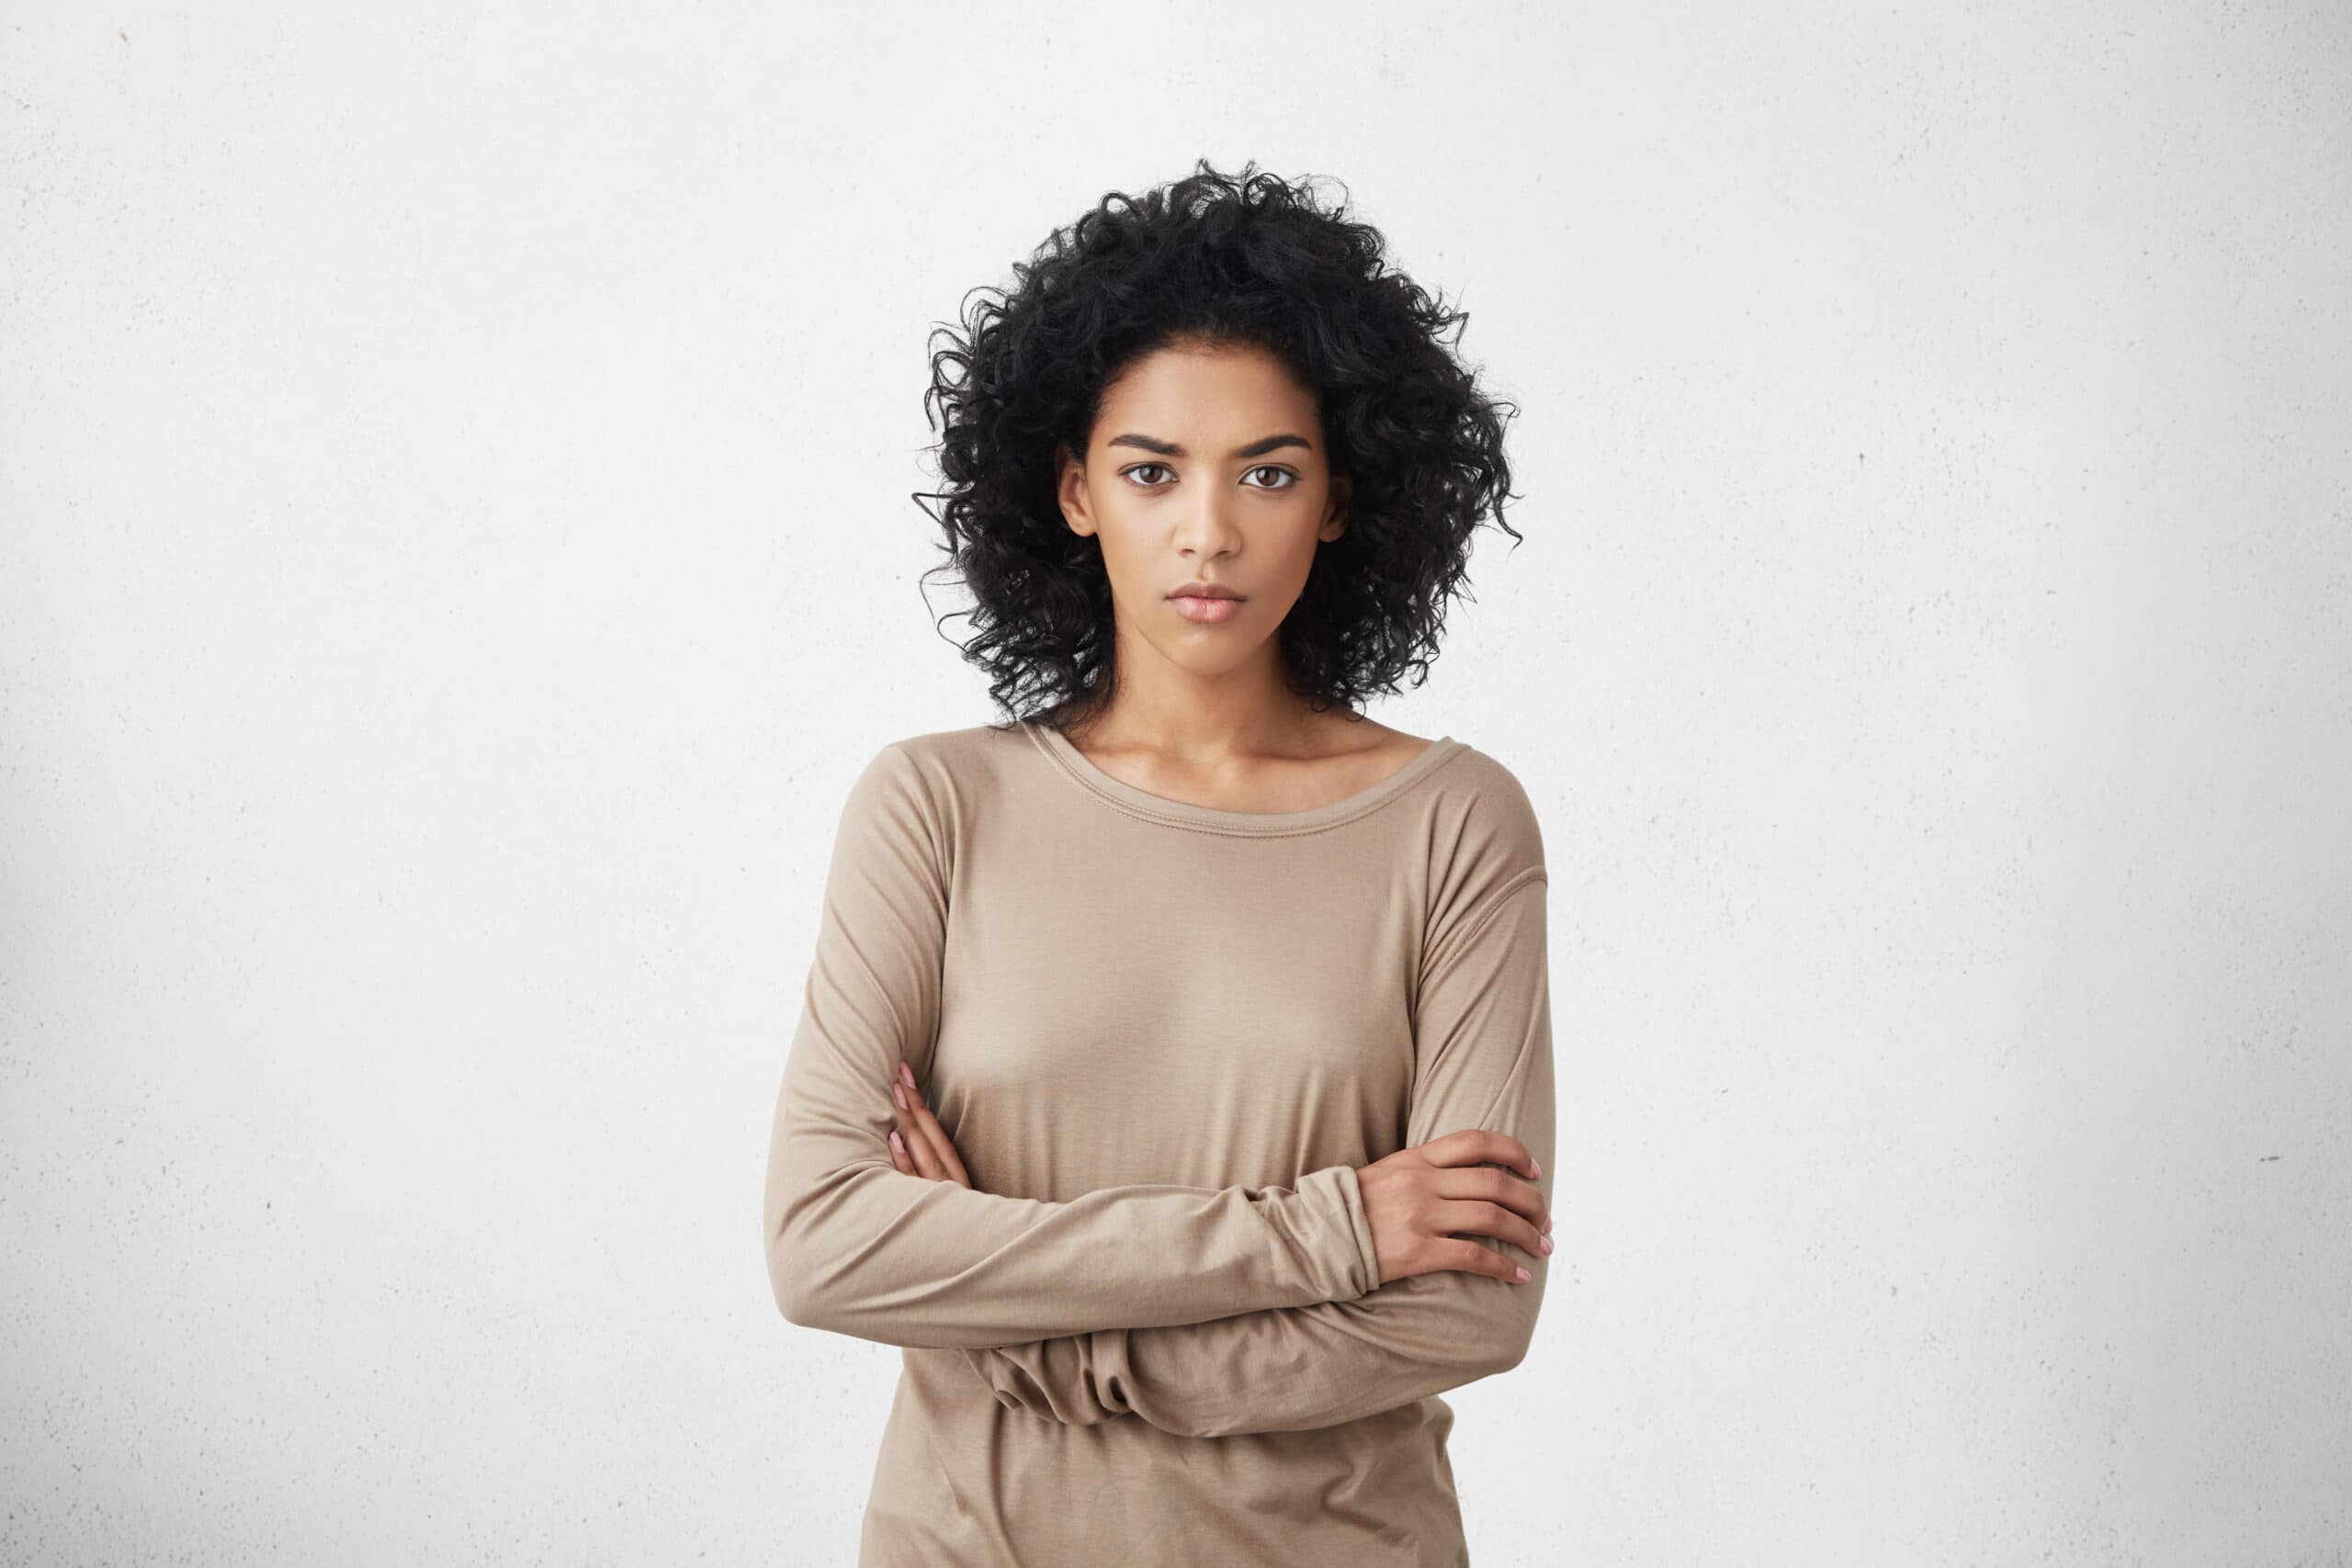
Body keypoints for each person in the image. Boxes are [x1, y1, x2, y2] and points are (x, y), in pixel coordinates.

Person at [761, 159, 1555, 1568]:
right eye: (1150, 471)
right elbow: (825, 1242)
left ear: (1340, 501)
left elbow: (1468, 1307)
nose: (1208, 530)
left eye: (1268, 470)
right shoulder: (935, 807)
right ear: (1072, 492)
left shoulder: (1454, 824)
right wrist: (1331, 1232)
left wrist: (1049, 1345)